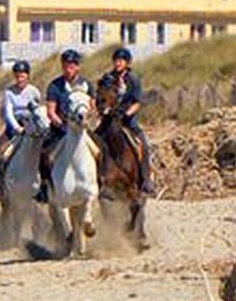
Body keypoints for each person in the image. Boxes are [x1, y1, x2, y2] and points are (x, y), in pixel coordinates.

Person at [38, 48, 95, 203]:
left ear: (77, 66)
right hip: (60, 129)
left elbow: (92, 106)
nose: (68, 68)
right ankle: (44, 187)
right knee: (45, 153)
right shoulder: (55, 85)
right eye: (65, 65)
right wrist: (61, 125)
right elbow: (51, 111)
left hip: (81, 129)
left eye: (71, 65)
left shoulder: (87, 84)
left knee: (100, 151)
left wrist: (87, 121)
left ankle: (100, 183)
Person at [100, 47, 155, 193]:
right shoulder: (108, 78)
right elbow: (101, 96)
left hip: (127, 120)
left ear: (127, 63)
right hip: (109, 119)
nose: (118, 63)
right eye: (116, 60)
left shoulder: (133, 80)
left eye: (121, 60)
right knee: (94, 141)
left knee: (143, 144)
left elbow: (137, 102)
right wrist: (103, 109)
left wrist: (127, 114)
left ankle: (146, 179)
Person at [0, 59, 42, 194]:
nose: (20, 79)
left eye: (23, 76)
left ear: (28, 76)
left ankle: (45, 184)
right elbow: (8, 112)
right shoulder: (9, 92)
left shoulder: (34, 91)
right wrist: (16, 127)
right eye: (18, 76)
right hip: (14, 126)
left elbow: (38, 111)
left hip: (32, 126)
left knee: (46, 151)